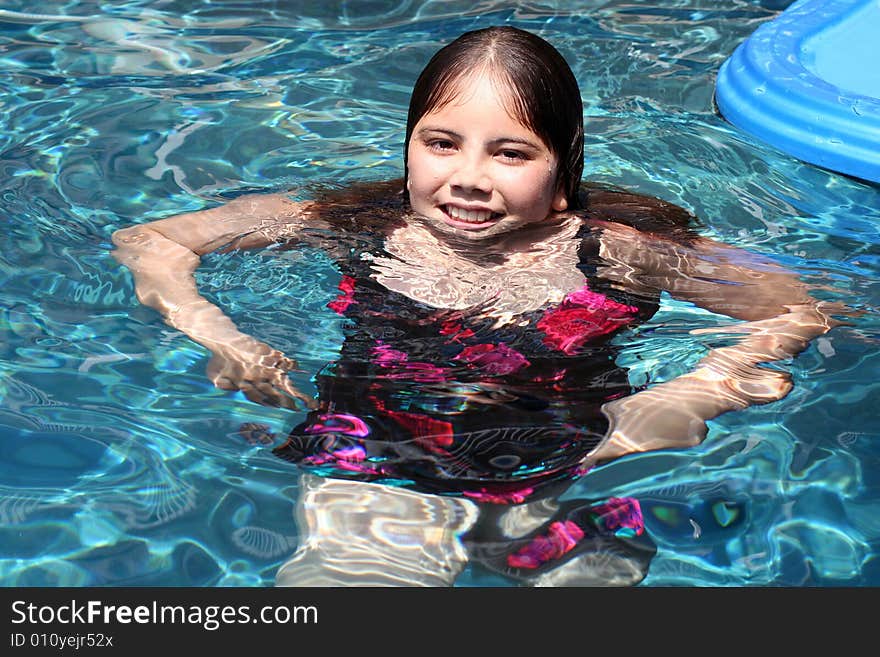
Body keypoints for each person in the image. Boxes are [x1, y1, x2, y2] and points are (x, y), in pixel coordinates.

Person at [112, 26, 841, 585]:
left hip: (563, 473)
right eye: (441, 143)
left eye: (510, 153)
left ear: (563, 170)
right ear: (407, 148)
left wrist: (691, 394)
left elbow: (795, 310)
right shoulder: (351, 220)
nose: (468, 177)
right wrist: (222, 337)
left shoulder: (618, 248)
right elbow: (153, 240)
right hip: (375, 461)